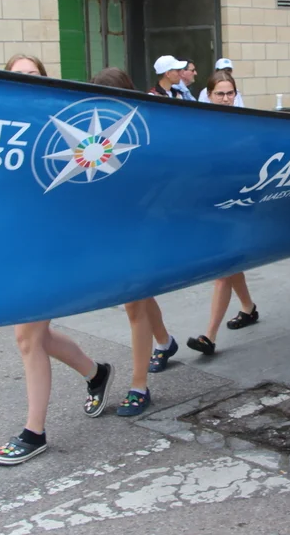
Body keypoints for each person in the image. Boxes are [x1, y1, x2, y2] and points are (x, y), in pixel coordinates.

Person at [0, 56, 115, 466]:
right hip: (18, 244)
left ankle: (35, 432)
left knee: (28, 338)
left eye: (33, 74)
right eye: (18, 75)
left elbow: (91, 173)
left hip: (52, 245)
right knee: (35, 337)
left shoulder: (62, 125)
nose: (26, 81)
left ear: (45, 80)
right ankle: (96, 373)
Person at [91, 67, 181, 416]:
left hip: (142, 225)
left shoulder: (144, 127)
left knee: (134, 303)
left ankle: (138, 386)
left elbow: (163, 175)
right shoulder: (98, 132)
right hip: (117, 226)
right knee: (140, 297)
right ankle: (165, 342)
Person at [187, 71, 260, 356]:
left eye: (230, 93)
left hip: (238, 204)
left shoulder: (244, 124)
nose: (226, 98)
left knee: (223, 270)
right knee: (231, 266)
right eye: (220, 93)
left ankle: (209, 336)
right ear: (209, 95)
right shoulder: (200, 125)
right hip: (212, 204)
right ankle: (249, 308)